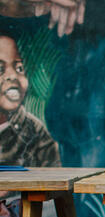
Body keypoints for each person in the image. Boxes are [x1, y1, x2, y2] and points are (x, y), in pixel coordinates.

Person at [0, 31, 60, 167]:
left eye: (19, 68)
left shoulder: (36, 133)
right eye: (0, 69)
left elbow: (55, 183)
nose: (12, 75)